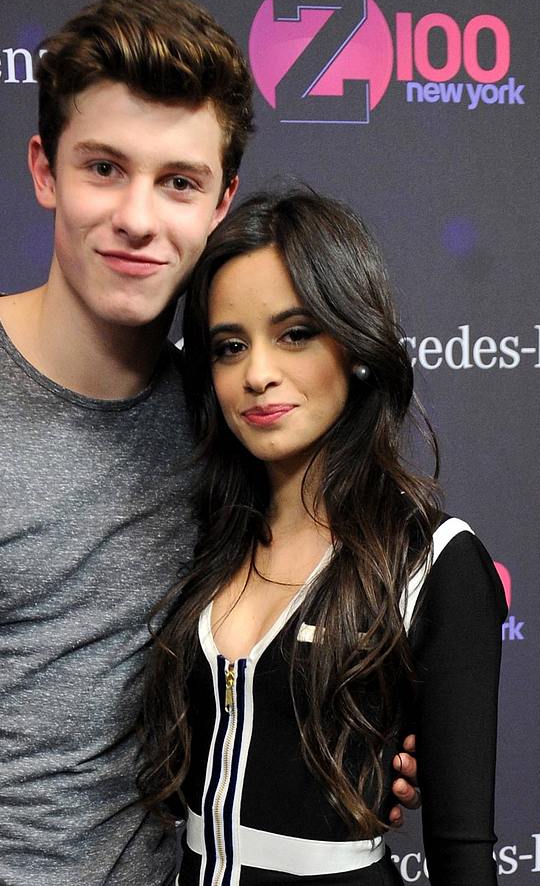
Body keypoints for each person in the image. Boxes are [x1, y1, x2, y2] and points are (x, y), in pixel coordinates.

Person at [0, 0, 419, 886]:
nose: (139, 219)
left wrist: (365, 740)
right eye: (104, 168)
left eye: (179, 182)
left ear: (222, 202)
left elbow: (295, 615)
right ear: (45, 170)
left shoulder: (228, 410)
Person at [138, 188, 507, 885]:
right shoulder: (200, 539)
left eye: (295, 333)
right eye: (229, 346)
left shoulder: (434, 562)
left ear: (357, 343)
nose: (257, 373)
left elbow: (463, 855)